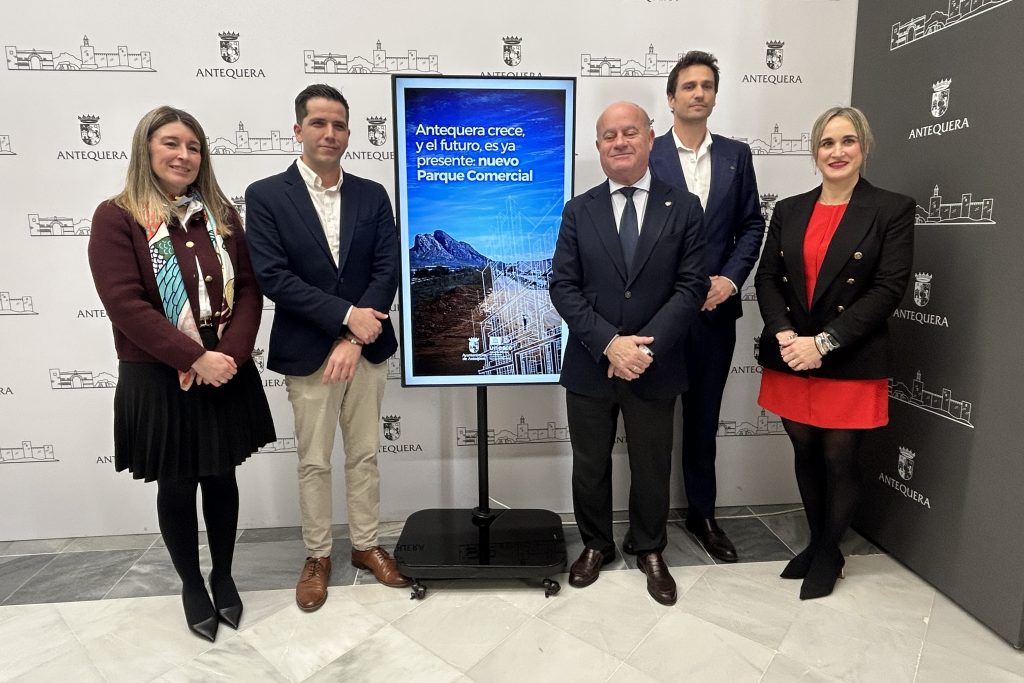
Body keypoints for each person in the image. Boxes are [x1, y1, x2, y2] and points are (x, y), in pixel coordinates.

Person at [88, 106, 275, 641]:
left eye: (193, 147)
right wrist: (191, 357)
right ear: (146, 150)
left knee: (221, 475)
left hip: (225, 368)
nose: (184, 155)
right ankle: (191, 583)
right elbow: (124, 303)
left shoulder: (221, 216)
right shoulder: (117, 216)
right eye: (171, 143)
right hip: (158, 374)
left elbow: (250, 293)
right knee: (176, 481)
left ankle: (224, 575)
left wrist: (229, 358)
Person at [245, 84, 407, 612]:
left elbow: (387, 269)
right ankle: (317, 555)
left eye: (339, 124)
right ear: (298, 130)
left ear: (348, 133)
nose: (329, 133)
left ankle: (365, 545)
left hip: (366, 351)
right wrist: (345, 321)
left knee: (364, 455)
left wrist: (356, 338)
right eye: (318, 123)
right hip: (308, 350)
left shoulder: (373, 194)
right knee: (314, 461)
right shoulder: (267, 195)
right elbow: (274, 277)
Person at [550, 101, 707, 606]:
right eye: (609, 135)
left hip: (654, 365)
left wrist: (643, 349)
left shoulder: (682, 207)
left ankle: (649, 548)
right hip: (592, 363)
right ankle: (596, 544)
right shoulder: (579, 210)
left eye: (630, 132)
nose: (620, 142)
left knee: (651, 464)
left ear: (650, 139)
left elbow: (691, 287)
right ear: (597, 147)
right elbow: (563, 286)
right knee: (590, 463)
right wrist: (610, 344)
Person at [754, 106, 914, 599]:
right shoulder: (790, 209)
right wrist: (785, 335)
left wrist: (823, 343)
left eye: (847, 141)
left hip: (848, 355)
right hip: (791, 355)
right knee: (804, 450)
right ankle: (816, 541)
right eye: (827, 142)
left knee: (840, 458)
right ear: (815, 151)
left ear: (863, 147)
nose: (837, 151)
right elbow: (767, 278)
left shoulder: (891, 208)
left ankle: (829, 551)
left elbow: (888, 290)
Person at [648, 51, 765, 562]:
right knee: (651, 424)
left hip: (715, 314)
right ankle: (648, 523)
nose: (699, 93)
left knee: (703, 420)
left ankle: (703, 515)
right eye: (689, 86)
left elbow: (751, 226)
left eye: (708, 86)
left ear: (715, 96)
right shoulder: (645, 153)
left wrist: (731, 280)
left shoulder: (737, 156)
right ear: (671, 98)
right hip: (657, 315)